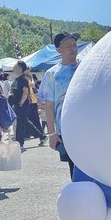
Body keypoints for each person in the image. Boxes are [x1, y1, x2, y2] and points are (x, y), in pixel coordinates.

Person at [37, 32, 80, 177]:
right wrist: (52, 133)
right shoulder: (52, 74)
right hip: (67, 130)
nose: (73, 49)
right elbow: (49, 106)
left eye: (74, 45)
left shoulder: (86, 67)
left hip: (90, 125)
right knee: (75, 169)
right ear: (58, 50)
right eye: (68, 46)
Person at [10, 60, 45, 151]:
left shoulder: (23, 79)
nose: (13, 68)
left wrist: (21, 103)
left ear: (20, 68)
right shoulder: (17, 78)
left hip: (22, 105)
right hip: (17, 104)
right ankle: (41, 136)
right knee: (24, 121)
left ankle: (20, 143)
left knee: (21, 124)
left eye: (15, 66)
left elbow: (25, 93)